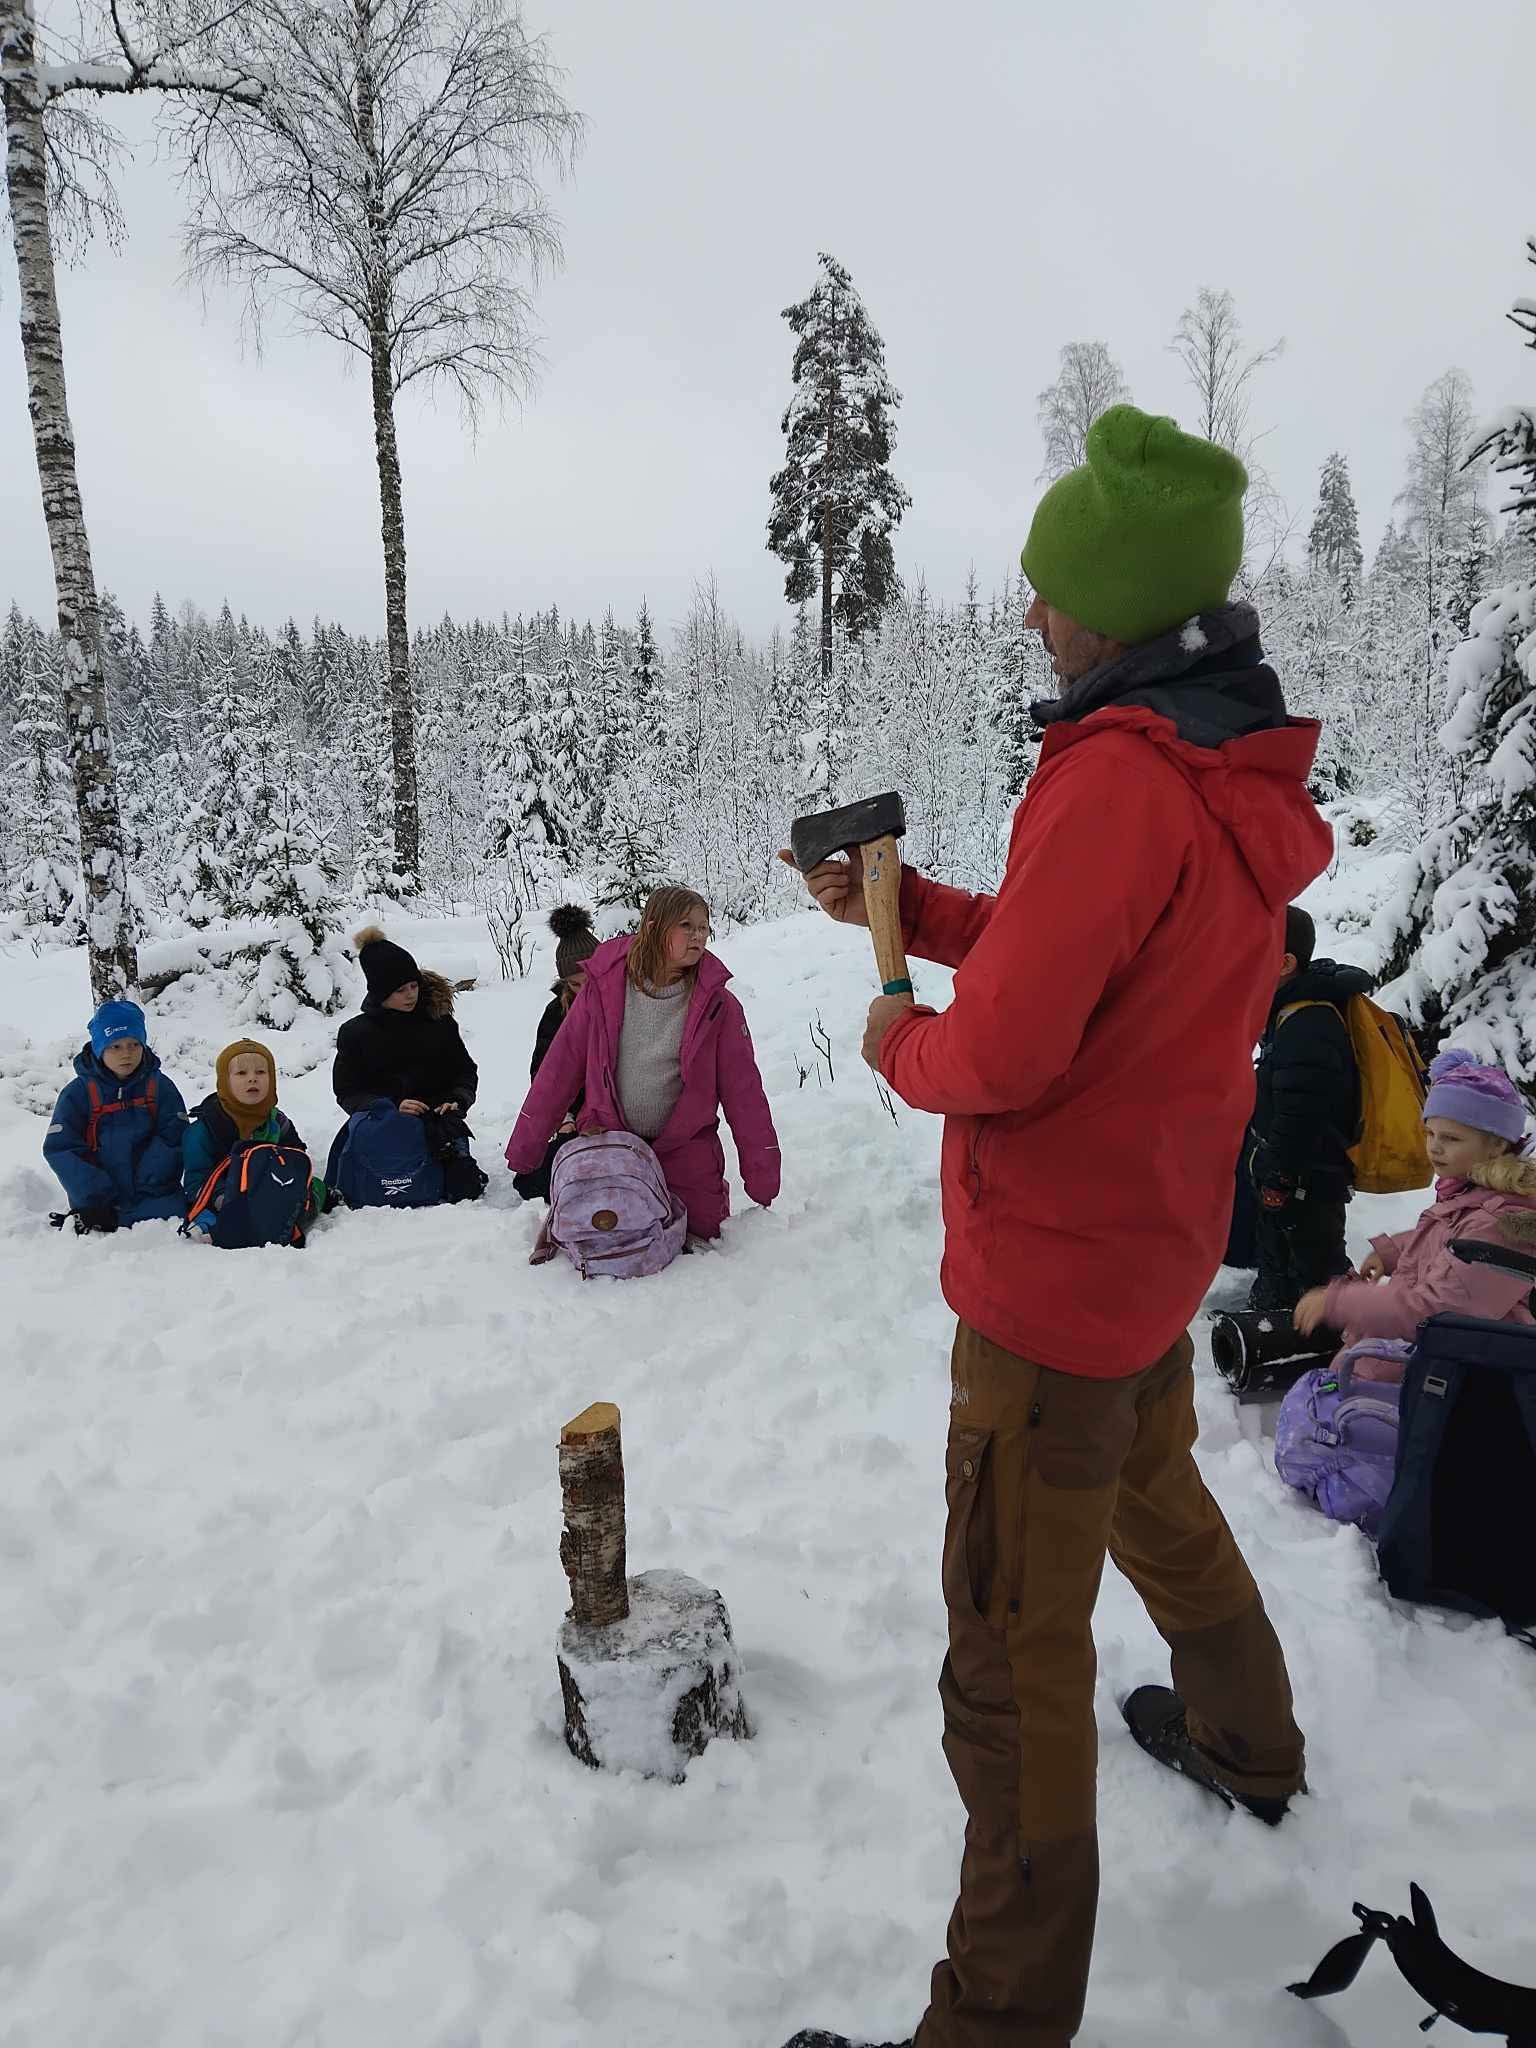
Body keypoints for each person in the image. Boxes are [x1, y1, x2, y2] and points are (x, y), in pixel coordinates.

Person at [783, 405, 1331, 2048]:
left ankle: (994, 2024)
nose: (1027, 609)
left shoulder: (1112, 778)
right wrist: (915, 909)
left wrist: (893, 1022)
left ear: (1116, 605)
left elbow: (1005, 1049)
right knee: (1155, 1492)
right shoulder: (1214, 765)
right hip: (1142, 1251)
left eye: (1047, 587)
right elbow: (1081, 952)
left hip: (1043, 1295)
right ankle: (1251, 1740)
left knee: (1010, 1665)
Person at [504, 886, 779, 1239]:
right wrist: (527, 1147)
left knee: (702, 1234)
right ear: (653, 927)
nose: (698, 936)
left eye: (704, 927)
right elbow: (560, 1067)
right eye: (686, 925)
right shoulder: (604, 988)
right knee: (606, 1233)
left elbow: (745, 1096)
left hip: (684, 1144)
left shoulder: (720, 1006)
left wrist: (763, 1176)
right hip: (610, 1137)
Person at [1293, 1049, 1536, 1372]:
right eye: (1430, 1133)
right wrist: (1394, 1251)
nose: (1434, 1147)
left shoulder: (1502, 1222)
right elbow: (1450, 1238)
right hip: (1432, 1363)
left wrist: (1339, 1301)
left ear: (1496, 1144)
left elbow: (1438, 1310)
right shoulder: (1470, 1191)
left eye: (1451, 1137)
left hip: (1460, 1383)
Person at [1246, 904, 1372, 1312]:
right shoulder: (1289, 1010)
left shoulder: (1309, 1023)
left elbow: (1303, 1112)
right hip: (1295, 1169)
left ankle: (1341, 1346)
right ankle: (1278, 1327)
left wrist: (1279, 1173)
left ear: (1284, 962)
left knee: (1318, 1267)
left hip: (1309, 1175)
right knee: (1285, 1256)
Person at [44, 999, 187, 1232]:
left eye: (134, 1045)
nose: (126, 1054)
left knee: (170, 1236)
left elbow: (175, 1136)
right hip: (98, 1204)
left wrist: (151, 1182)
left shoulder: (161, 1088)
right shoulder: (78, 1094)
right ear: (100, 1048)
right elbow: (61, 1148)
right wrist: (95, 1194)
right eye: (115, 1046)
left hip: (155, 1196)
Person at [183, 1038, 323, 1240]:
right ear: (224, 1080)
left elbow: (296, 1155)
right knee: (211, 1218)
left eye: (260, 1072)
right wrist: (222, 1198)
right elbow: (196, 1181)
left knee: (316, 1187)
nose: (252, 1079)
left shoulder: (277, 1121)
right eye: (241, 1073)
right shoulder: (204, 1129)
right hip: (225, 1197)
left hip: (271, 1190)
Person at [512, 904, 600, 1205]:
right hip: (574, 1113)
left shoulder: (624, 1003)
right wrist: (563, 1116)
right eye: (576, 984)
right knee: (538, 1182)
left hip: (615, 1111)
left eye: (591, 980)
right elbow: (545, 1073)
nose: (585, 989)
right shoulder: (556, 1013)